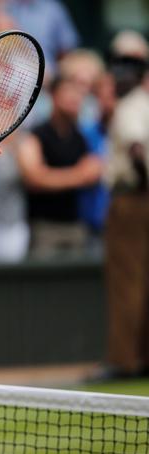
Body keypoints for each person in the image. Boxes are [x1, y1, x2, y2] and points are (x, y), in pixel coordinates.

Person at [17, 75, 103, 258]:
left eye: (79, 94)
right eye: (68, 92)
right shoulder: (36, 135)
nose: (75, 99)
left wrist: (53, 177)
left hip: (76, 226)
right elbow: (34, 178)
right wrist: (78, 176)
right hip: (44, 227)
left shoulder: (81, 137)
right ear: (54, 96)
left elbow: (95, 171)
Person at [102, 57, 149, 379]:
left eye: (124, 74)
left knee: (127, 281)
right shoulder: (144, 103)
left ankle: (124, 362)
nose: (117, 79)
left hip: (133, 199)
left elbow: (136, 148)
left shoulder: (130, 106)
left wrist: (142, 184)